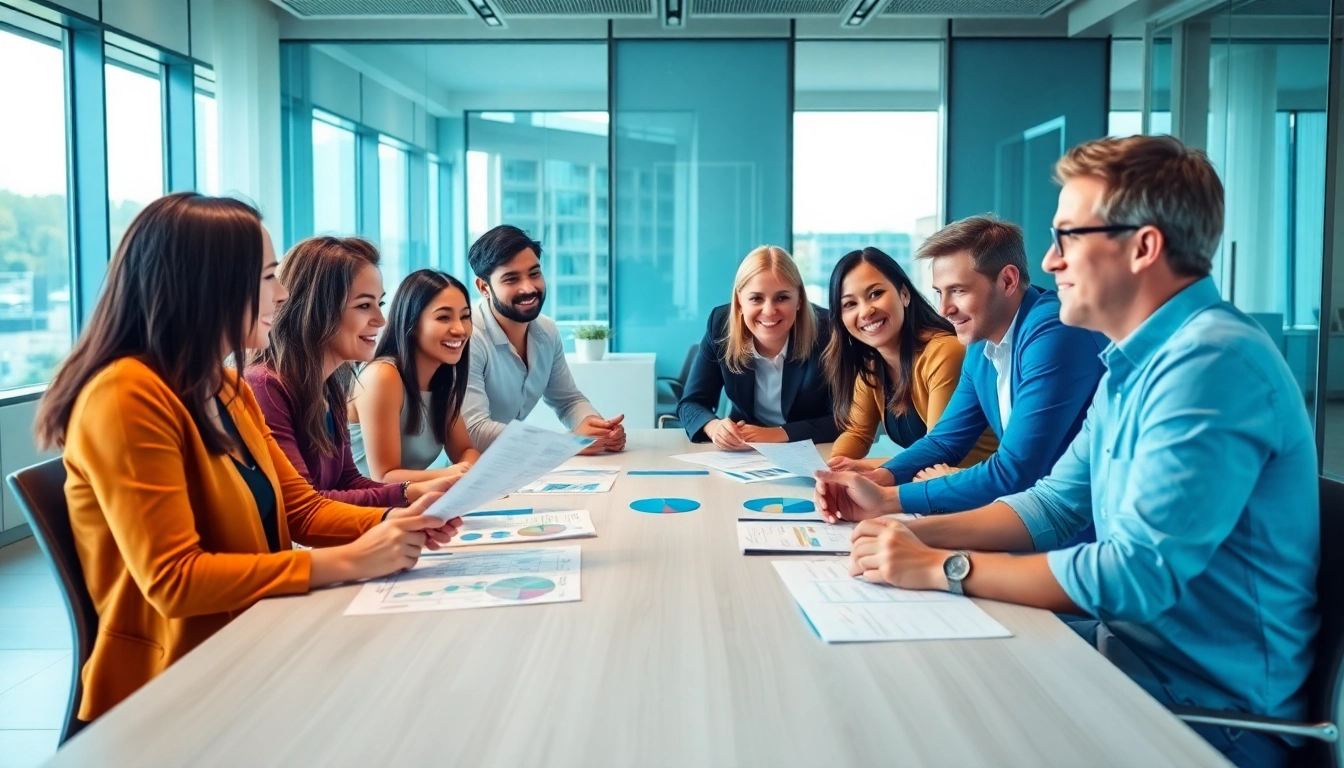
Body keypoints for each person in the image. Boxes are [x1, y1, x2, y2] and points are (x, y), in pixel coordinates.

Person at [815, 135, 1318, 768]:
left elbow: (1134, 574)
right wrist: (906, 528)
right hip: (1127, 656)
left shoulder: (1211, 363)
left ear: (1143, 247)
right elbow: (1052, 504)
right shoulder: (1133, 362)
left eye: (1068, 237)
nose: (1049, 263)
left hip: (1204, 716)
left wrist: (943, 565)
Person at [35, 193, 461, 723]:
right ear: (207, 285)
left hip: (253, 640)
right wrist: (351, 558)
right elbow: (174, 580)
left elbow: (302, 510)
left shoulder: (227, 389)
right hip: (173, 690)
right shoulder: (124, 396)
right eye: (267, 277)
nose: (282, 295)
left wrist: (399, 521)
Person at [828, 215, 1106, 519]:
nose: (944, 309)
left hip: (1085, 531)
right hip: (1032, 518)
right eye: (939, 292)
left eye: (958, 290)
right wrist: (881, 477)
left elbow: (1014, 471)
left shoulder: (1054, 332)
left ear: (1008, 281)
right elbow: (945, 440)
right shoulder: (981, 342)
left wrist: (887, 498)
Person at [246, 237, 454, 505]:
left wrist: (420, 491)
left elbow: (348, 481)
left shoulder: (331, 386)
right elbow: (304, 505)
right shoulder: (265, 386)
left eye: (379, 304)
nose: (381, 321)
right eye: (364, 306)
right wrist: (408, 497)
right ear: (317, 309)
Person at [824, 247, 997, 467]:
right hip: (930, 486)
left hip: (979, 488)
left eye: (876, 294)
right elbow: (857, 433)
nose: (866, 311)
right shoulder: (873, 363)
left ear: (904, 294)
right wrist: (832, 468)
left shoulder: (945, 352)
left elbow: (937, 451)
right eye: (850, 304)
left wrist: (861, 468)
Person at [460, 225, 625, 453]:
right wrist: (567, 443)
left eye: (534, 273)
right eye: (511, 279)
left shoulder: (546, 331)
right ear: (484, 287)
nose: (528, 287)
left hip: (512, 463)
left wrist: (601, 430)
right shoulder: (468, 337)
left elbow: (568, 400)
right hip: (462, 472)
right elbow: (476, 431)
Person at [677, 245, 838, 450]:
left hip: (814, 450)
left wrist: (774, 434)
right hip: (744, 451)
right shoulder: (720, 326)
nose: (769, 311)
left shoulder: (828, 331)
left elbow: (842, 419)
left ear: (799, 299)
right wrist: (714, 427)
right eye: (756, 298)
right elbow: (691, 403)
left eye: (782, 297)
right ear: (739, 301)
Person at [349, 269, 482, 481]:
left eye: (465, 316)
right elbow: (383, 477)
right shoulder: (382, 376)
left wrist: (465, 468)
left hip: (406, 503)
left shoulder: (441, 377)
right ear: (411, 324)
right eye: (444, 317)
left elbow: (466, 450)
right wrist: (451, 474)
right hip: (365, 508)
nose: (460, 329)